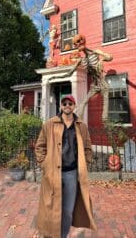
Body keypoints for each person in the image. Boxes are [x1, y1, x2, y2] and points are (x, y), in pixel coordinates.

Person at [35, 95, 96, 238]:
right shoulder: (50, 124)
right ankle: (50, 234)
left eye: (70, 103)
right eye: (64, 103)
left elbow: (87, 147)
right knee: (52, 207)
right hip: (53, 173)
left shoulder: (81, 126)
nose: (67, 105)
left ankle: (63, 234)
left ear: (74, 106)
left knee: (68, 209)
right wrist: (44, 165)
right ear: (61, 106)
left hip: (72, 173)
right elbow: (40, 147)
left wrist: (84, 164)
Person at [49, 34, 113, 121]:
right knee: (82, 104)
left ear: (84, 41)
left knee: (104, 114)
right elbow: (69, 73)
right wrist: (55, 76)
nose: (78, 45)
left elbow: (110, 57)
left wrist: (101, 60)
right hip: (94, 85)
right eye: (75, 44)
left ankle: (106, 120)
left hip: (102, 82)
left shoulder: (96, 52)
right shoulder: (81, 60)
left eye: (79, 41)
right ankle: (79, 123)